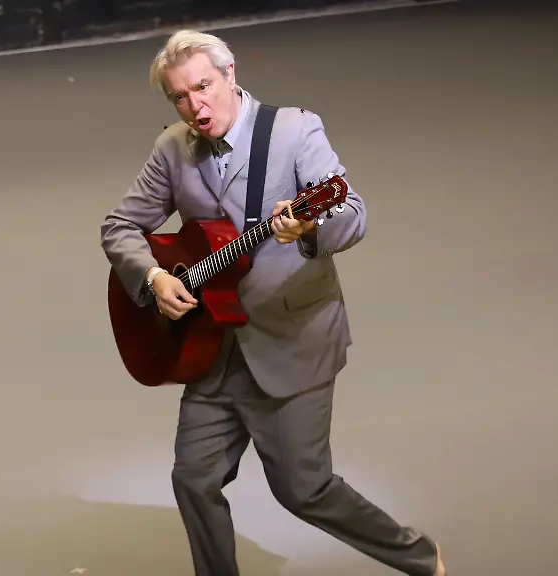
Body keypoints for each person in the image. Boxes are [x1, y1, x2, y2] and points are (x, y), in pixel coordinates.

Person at [100, 29, 446, 576]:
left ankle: (419, 556)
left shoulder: (294, 131)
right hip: (212, 346)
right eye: (180, 97)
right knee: (193, 478)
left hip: (292, 340)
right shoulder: (173, 148)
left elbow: (352, 214)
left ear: (230, 74)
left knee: (303, 490)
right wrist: (153, 278)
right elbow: (120, 226)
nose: (195, 106)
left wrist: (310, 226)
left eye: (203, 87)